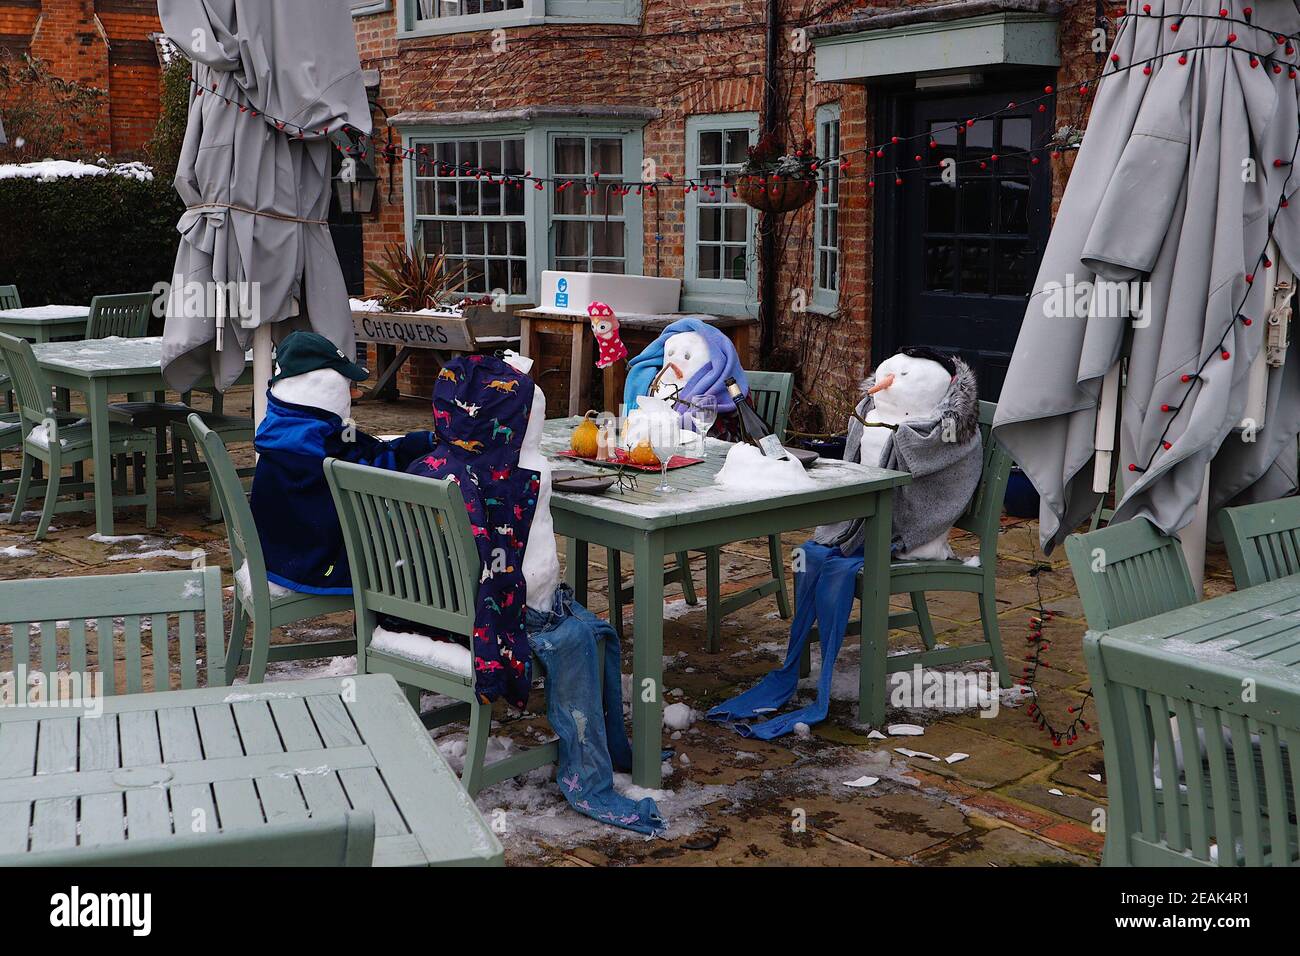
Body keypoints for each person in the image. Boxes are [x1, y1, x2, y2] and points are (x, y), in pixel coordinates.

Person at [248, 331, 433, 594]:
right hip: (319, 566)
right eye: (347, 386)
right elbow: (375, 470)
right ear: (325, 388)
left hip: (279, 554)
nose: (354, 394)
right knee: (420, 553)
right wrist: (418, 445)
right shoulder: (323, 445)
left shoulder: (283, 429)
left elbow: (360, 452)